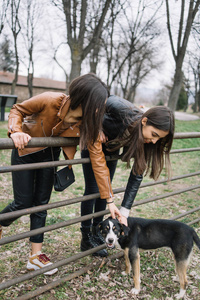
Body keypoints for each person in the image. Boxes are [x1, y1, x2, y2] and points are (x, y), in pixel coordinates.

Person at [0, 73, 121, 274]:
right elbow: (17, 109)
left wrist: (109, 199)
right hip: (25, 153)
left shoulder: (85, 124)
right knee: (22, 203)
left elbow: (99, 162)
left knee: (41, 205)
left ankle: (35, 257)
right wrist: (16, 131)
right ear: (86, 99)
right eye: (98, 104)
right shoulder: (50, 100)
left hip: (50, 157)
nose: (100, 109)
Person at [80, 95, 175, 257]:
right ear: (144, 122)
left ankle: (97, 232)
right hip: (94, 145)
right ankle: (86, 237)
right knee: (93, 188)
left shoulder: (145, 140)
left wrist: (124, 213)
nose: (154, 141)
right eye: (154, 134)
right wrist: (97, 128)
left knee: (105, 191)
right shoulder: (123, 110)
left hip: (111, 150)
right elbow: (98, 101)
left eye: (158, 138)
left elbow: (137, 175)